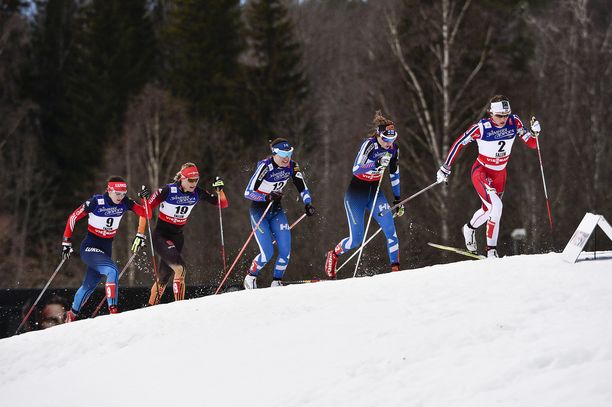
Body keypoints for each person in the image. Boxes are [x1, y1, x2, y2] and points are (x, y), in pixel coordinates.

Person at [436, 95, 541, 258]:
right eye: (500, 115)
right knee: (496, 207)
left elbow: (533, 144)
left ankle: (469, 228)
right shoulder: (481, 127)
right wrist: (445, 167)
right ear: (491, 113)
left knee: (488, 209)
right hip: (481, 172)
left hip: (500, 173)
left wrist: (536, 132)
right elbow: (459, 143)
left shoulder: (515, 122)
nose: (504, 119)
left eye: (506, 115)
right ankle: (491, 251)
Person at [324, 111, 404, 279]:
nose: (390, 144)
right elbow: (356, 168)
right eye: (387, 140)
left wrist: (397, 198)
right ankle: (334, 254)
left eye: (393, 139)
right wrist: (375, 163)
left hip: (375, 192)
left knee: (391, 231)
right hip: (356, 194)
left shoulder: (394, 149)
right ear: (379, 135)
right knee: (356, 240)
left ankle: (396, 272)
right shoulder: (369, 145)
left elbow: (394, 174)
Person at [135, 163, 228, 306]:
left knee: (164, 277)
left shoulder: (197, 192)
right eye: (190, 180)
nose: (193, 183)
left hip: (178, 237)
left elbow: (222, 204)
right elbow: (145, 211)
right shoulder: (167, 191)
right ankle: (181, 308)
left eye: (196, 180)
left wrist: (220, 190)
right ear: (182, 178)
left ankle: (150, 307)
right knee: (180, 268)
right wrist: (140, 234)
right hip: (161, 236)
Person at [62, 176, 151, 321]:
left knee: (89, 286)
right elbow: (73, 217)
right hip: (90, 247)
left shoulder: (125, 202)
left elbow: (146, 214)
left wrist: (145, 200)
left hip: (105, 249)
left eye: (123, 193)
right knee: (112, 270)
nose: (120, 197)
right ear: (109, 190)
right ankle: (113, 311)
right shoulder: (96, 202)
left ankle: (71, 315)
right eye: (117, 193)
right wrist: (66, 241)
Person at [243, 138, 315, 289]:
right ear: (274, 153)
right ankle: (251, 276)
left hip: (276, 210)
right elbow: (248, 192)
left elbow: (302, 187)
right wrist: (266, 196)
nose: (286, 158)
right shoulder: (265, 167)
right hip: (259, 210)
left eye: (289, 153)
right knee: (267, 252)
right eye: (282, 154)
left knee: (285, 250)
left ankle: (276, 282)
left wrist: (307, 203)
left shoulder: (292, 166)